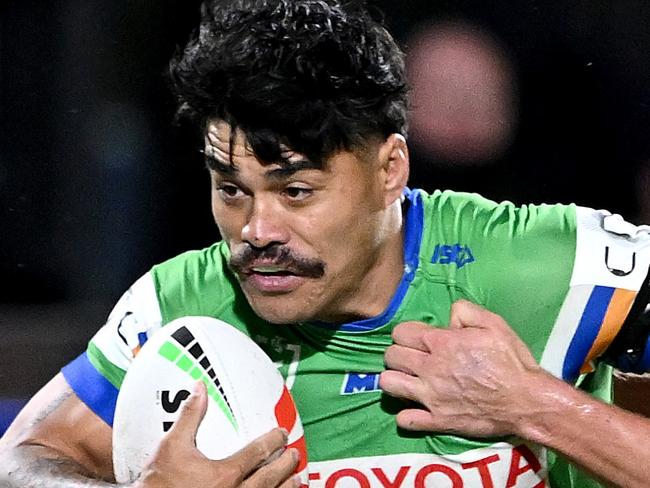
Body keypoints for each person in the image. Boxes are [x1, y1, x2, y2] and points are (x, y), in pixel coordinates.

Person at [1, 0, 650, 486]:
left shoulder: (549, 268)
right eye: (232, 190)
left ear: (389, 169)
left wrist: (535, 406)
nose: (258, 232)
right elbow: (25, 457)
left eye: (297, 192)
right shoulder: (184, 308)